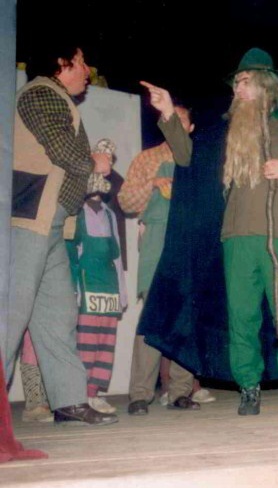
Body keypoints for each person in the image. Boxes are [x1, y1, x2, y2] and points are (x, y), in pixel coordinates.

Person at [138, 47, 278, 415]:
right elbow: (187, 157)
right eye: (236, 83)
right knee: (242, 315)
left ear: (265, 84)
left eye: (245, 82)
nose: (238, 88)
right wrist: (167, 112)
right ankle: (249, 385)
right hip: (235, 237)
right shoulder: (225, 130)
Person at [6, 42, 117, 425]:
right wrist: (95, 161)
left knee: (58, 314)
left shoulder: (55, 97)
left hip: (52, 221)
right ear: (61, 62)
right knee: (12, 313)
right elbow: (62, 150)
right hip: (30, 218)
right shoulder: (41, 92)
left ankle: (69, 400)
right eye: (82, 62)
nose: (87, 70)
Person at [118, 104, 204, 414]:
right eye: (171, 119)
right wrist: (152, 184)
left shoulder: (199, 158)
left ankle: (181, 391)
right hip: (157, 237)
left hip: (189, 242)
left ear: (190, 129)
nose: (176, 124)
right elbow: (126, 201)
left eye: (182, 120)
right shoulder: (147, 158)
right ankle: (140, 394)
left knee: (186, 316)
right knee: (153, 315)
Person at [66, 170, 128, 414]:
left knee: (106, 342)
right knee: (87, 342)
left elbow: (117, 256)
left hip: (109, 286)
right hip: (88, 284)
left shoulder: (110, 215)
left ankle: (95, 393)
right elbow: (72, 255)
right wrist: (74, 291)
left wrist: (122, 292)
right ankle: (82, 394)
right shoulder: (77, 213)